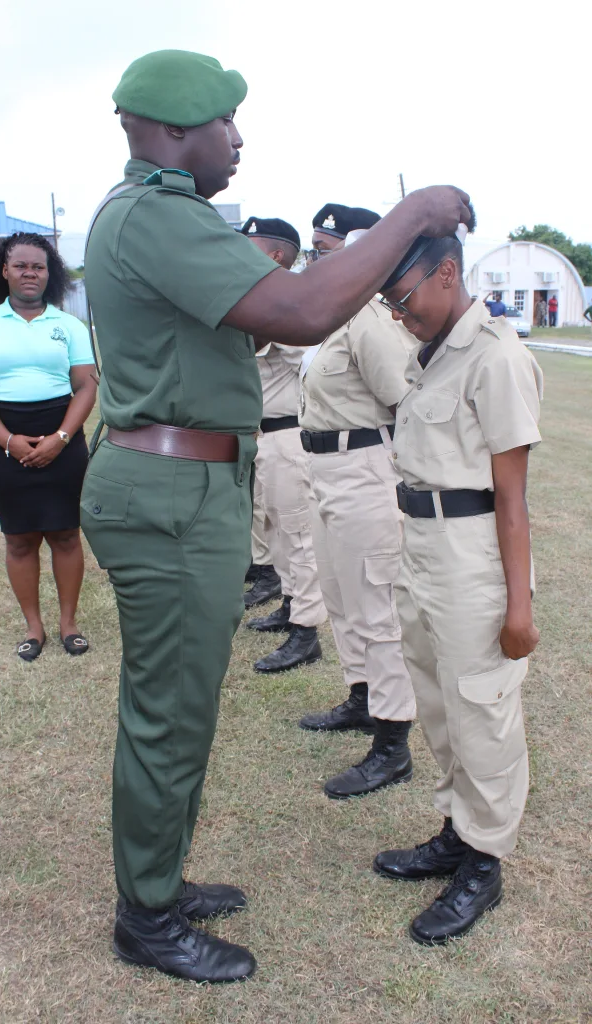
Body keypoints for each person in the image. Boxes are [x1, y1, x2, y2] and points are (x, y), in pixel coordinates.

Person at [80, 47, 472, 984]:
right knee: (168, 714)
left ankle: (158, 882)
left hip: (183, 484)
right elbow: (299, 309)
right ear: (175, 128)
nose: (238, 138)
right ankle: (145, 915)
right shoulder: (158, 215)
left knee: (179, 705)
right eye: (225, 121)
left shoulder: (158, 214)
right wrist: (414, 213)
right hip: (171, 492)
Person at [373, 208, 543, 946]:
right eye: (388, 303)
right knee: (439, 701)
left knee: (482, 708)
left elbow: (512, 498)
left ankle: (484, 861)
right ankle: (456, 828)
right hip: (421, 546)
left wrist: (518, 606)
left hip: (472, 554)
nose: (397, 313)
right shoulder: (434, 353)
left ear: (447, 272)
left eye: (402, 298)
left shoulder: (495, 357)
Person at [298, 206, 418, 798]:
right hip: (323, 469)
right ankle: (363, 699)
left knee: (377, 608)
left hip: (365, 470)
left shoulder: (370, 319)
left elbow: (407, 404)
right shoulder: (334, 316)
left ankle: (393, 745)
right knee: (341, 596)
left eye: (330, 252)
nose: (319, 261)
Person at [0, 233, 97, 661]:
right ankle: (34, 628)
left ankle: (69, 624)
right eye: (21, 265)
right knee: (19, 539)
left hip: (64, 441)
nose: (30, 273)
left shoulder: (69, 325)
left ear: (50, 273)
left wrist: (61, 438)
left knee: (66, 535)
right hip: (5, 443)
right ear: (5, 270)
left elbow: (86, 386)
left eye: (38, 266)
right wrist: (7, 441)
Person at [240, 215, 328, 671]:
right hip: (265, 438)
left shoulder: (291, 306)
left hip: (289, 434)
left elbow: (310, 361)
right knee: (276, 532)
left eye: (251, 246)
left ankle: (306, 633)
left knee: (298, 537)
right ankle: (292, 606)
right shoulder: (261, 301)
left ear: (277, 256)